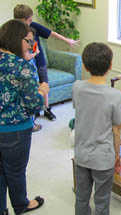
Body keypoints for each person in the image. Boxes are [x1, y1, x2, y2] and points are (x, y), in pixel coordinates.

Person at [73, 42, 121, 215]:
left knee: (81, 199)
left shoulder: (77, 87)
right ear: (110, 66)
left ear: (84, 65)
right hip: (103, 159)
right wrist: (117, 156)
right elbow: (117, 131)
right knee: (102, 202)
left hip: (81, 155)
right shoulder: (115, 96)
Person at [0, 19, 49, 215]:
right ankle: (21, 205)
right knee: (15, 170)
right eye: (28, 41)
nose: (31, 45)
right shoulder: (24, 67)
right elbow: (34, 105)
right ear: (16, 39)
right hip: (15, 130)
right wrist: (42, 91)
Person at [14, 4, 80, 122]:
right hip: (25, 63)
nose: (31, 22)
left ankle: (46, 108)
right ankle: (33, 112)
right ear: (22, 20)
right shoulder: (12, 31)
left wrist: (67, 40)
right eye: (29, 20)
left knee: (44, 84)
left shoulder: (33, 26)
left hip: (39, 61)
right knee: (31, 87)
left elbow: (51, 33)